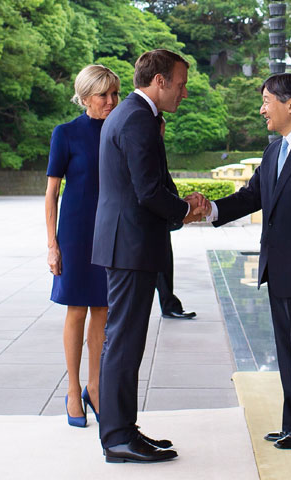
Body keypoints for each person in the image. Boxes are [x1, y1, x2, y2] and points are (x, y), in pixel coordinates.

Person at [204, 73, 291, 450]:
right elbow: (253, 196)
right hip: (279, 268)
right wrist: (211, 210)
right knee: (289, 352)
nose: (262, 108)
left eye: (267, 100)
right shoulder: (275, 151)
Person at [91, 49, 209, 463]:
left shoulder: (130, 115)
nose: (185, 93)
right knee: (123, 342)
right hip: (130, 245)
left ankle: (122, 429)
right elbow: (146, 191)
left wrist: (178, 205)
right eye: (181, 84)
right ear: (159, 81)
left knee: (124, 340)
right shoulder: (138, 118)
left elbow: (149, 181)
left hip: (128, 243)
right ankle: (118, 437)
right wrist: (185, 211)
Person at [45, 64, 120, 428]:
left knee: (103, 312)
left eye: (114, 94)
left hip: (109, 232)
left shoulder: (120, 130)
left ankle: (95, 387)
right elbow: (51, 195)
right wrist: (51, 244)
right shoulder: (66, 133)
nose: (111, 101)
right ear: (86, 96)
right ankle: (73, 390)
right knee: (76, 310)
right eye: (104, 95)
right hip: (74, 232)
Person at [157, 115, 196, 320]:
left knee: (164, 264)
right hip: (152, 217)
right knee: (160, 265)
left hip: (162, 216)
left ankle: (169, 303)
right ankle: (169, 303)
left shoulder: (157, 146)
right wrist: (183, 211)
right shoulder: (147, 145)